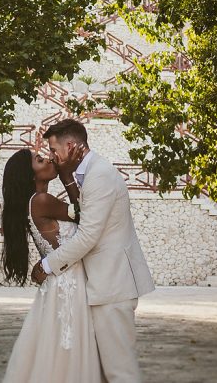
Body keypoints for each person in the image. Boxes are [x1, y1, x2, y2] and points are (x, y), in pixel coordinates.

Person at [32, 119, 155, 383]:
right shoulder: (87, 174)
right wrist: (66, 176)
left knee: (119, 372)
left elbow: (88, 235)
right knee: (103, 373)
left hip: (113, 286)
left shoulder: (99, 176)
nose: (52, 157)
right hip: (102, 286)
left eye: (54, 150)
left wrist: (47, 265)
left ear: (71, 145)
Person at [1, 146, 102, 382]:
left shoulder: (36, 201)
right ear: (32, 175)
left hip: (61, 282)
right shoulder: (41, 200)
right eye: (39, 160)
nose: (47, 159)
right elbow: (84, 213)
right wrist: (68, 176)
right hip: (69, 284)